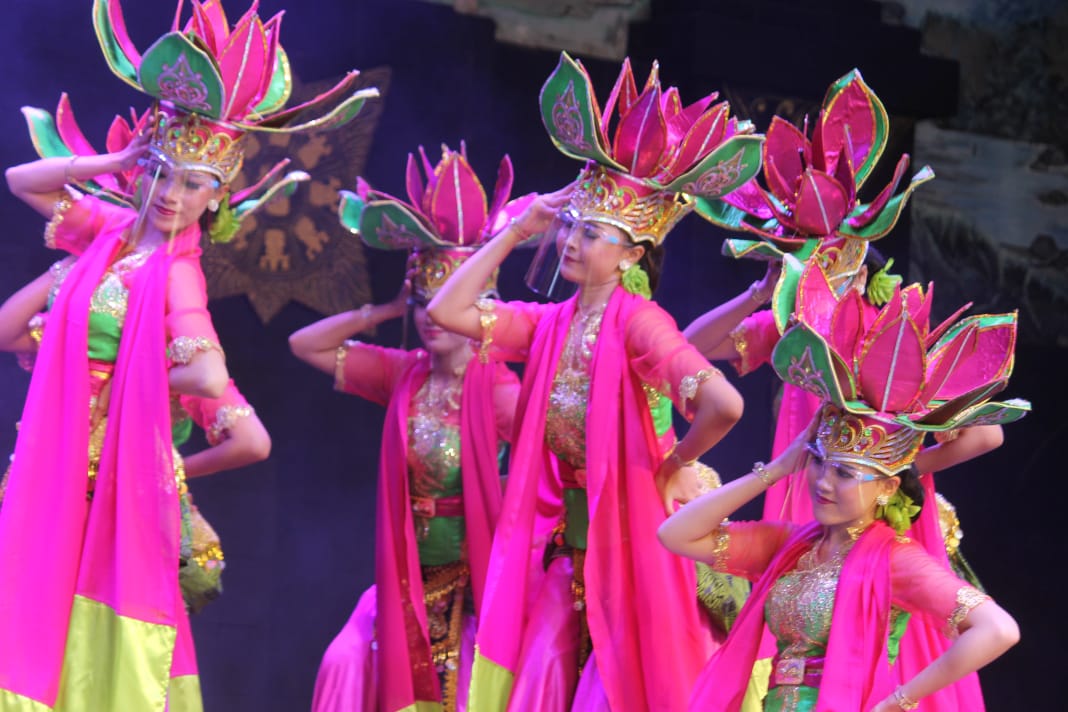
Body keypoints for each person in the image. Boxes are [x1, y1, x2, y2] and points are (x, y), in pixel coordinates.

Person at [0, 1, 374, 708]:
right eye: (164, 173)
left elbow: (205, 375)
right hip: (57, 461)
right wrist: (115, 162)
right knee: (34, 614)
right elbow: (25, 180)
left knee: (88, 635)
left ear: (218, 195)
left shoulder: (177, 269)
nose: (173, 194)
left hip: (103, 478)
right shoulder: (107, 233)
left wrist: (147, 431)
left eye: (193, 183)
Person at [428, 53, 763, 710]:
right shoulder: (549, 322)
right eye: (574, 225)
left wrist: (673, 464)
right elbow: (446, 310)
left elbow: (725, 403)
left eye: (598, 232)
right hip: (573, 547)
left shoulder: (640, 325)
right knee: (536, 679)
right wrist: (519, 229)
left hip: (640, 543)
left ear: (634, 254)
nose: (575, 241)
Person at [659, 270, 1028, 711]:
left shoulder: (896, 560)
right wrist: (776, 470)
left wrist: (898, 700)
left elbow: (998, 629)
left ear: (889, 486)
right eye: (818, 464)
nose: (824, 483)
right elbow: (675, 535)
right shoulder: (787, 547)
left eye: (847, 474)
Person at [290, 143, 523, 712]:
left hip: (468, 582)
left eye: (444, 304)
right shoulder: (404, 373)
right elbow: (305, 344)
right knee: (343, 663)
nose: (431, 316)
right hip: (401, 580)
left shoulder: (498, 388)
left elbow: (548, 464)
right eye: (423, 302)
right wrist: (385, 311)